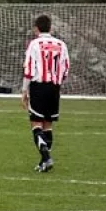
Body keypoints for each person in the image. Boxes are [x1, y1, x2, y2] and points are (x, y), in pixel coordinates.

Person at [21, 14, 70, 173]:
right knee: (48, 124)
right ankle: (44, 162)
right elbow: (66, 67)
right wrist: (58, 83)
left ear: (36, 28)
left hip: (38, 86)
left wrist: (24, 91)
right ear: (51, 28)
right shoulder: (61, 44)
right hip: (54, 87)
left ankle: (46, 157)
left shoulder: (34, 44)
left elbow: (28, 68)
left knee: (36, 123)